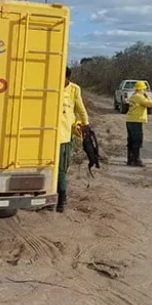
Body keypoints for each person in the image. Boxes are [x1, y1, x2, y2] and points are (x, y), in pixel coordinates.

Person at [60, 67, 89, 213]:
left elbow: (81, 109)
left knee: (61, 170)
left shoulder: (74, 90)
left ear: (67, 77)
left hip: (64, 137)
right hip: (49, 137)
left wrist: (86, 126)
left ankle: (61, 199)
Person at [126, 81, 152, 167]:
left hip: (130, 120)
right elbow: (150, 104)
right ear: (141, 89)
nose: (144, 91)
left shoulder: (133, 96)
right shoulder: (139, 97)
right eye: (144, 89)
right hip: (136, 121)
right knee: (137, 140)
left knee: (130, 140)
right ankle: (136, 159)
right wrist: (147, 97)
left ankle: (130, 159)